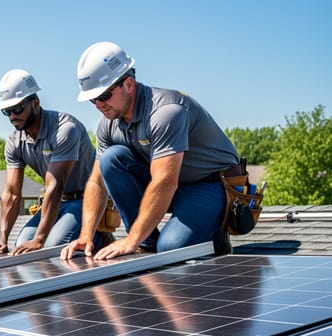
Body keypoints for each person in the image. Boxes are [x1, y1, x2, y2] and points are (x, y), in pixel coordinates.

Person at [61, 42, 241, 261]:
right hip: (172, 185)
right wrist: (86, 235)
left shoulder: (166, 111)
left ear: (128, 84)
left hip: (210, 184)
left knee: (171, 249)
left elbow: (165, 181)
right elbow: (96, 182)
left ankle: (213, 233)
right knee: (111, 159)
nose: (99, 104)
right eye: (93, 99)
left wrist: (131, 239)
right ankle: (146, 242)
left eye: (104, 95)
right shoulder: (108, 124)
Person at [0, 69, 97, 258]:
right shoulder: (15, 142)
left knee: (51, 246)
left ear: (35, 103)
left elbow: (55, 186)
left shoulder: (64, 130)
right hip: (57, 202)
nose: (13, 116)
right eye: (7, 111)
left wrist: (39, 239)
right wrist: (2, 240)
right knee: (20, 243)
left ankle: (96, 237)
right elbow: (12, 193)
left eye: (17, 109)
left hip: (86, 200)